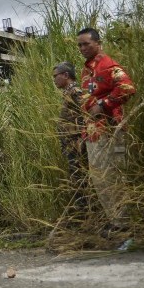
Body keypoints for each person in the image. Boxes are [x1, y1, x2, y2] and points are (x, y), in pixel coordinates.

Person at [77, 27, 136, 234]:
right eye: (80, 45)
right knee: (100, 178)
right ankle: (116, 222)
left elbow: (127, 87)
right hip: (93, 132)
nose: (82, 48)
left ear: (98, 43)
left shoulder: (107, 65)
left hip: (109, 130)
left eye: (87, 44)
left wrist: (103, 104)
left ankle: (124, 225)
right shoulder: (87, 70)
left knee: (112, 177)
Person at [52, 62, 88, 210]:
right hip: (71, 144)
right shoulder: (68, 93)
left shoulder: (75, 93)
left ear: (66, 75)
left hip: (77, 144)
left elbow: (86, 116)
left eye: (56, 76)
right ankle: (82, 213)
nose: (54, 80)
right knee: (76, 177)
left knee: (80, 177)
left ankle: (85, 213)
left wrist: (80, 140)